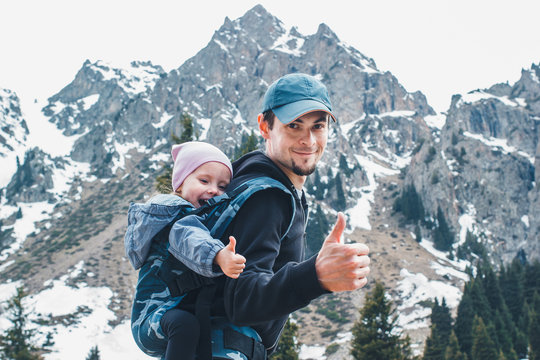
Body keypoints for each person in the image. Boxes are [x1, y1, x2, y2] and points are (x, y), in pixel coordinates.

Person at [177, 73, 371, 357]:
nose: (309, 140)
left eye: (318, 126)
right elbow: (242, 299)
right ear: (264, 127)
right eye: (294, 125)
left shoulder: (259, 183)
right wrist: (315, 275)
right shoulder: (267, 196)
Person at [125, 141, 246, 359]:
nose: (213, 190)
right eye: (204, 180)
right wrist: (219, 255)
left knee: (194, 329)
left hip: (167, 318)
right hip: (152, 317)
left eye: (222, 186)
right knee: (185, 324)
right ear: (180, 183)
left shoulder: (188, 215)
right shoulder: (177, 217)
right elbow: (190, 238)